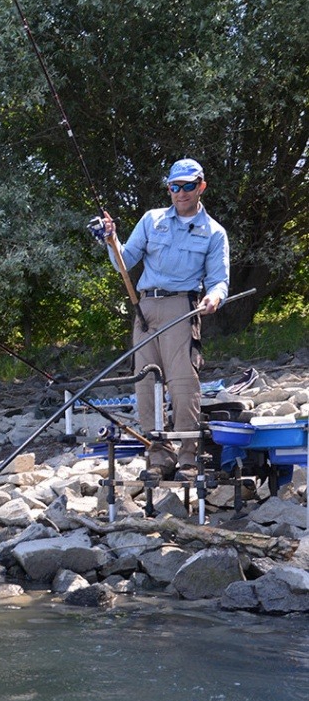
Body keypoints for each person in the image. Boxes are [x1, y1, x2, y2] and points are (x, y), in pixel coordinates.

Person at [103, 157, 230, 480]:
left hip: (183, 309)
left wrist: (214, 298)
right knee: (145, 381)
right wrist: (111, 239)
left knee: (183, 383)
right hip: (144, 307)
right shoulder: (151, 220)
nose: (181, 192)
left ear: (201, 187)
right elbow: (124, 263)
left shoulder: (214, 232)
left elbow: (219, 280)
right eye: (175, 186)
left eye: (188, 186)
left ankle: (189, 457)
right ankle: (159, 456)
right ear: (169, 189)